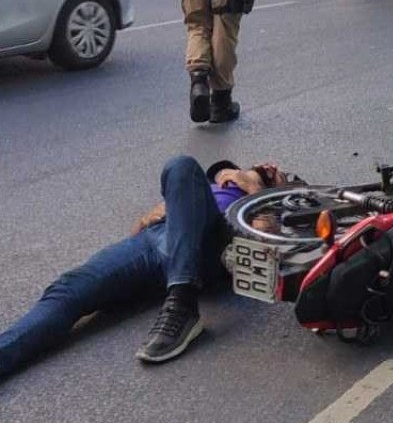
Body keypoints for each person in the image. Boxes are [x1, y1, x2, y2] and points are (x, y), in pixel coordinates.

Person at [0, 156, 291, 380]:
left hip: (210, 244)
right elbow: (139, 229)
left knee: (181, 163)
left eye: (274, 174)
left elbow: (259, 249)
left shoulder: (259, 205)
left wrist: (257, 191)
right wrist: (151, 215)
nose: (266, 165)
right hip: (155, 242)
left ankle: (183, 304)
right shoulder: (197, 187)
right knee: (70, 289)